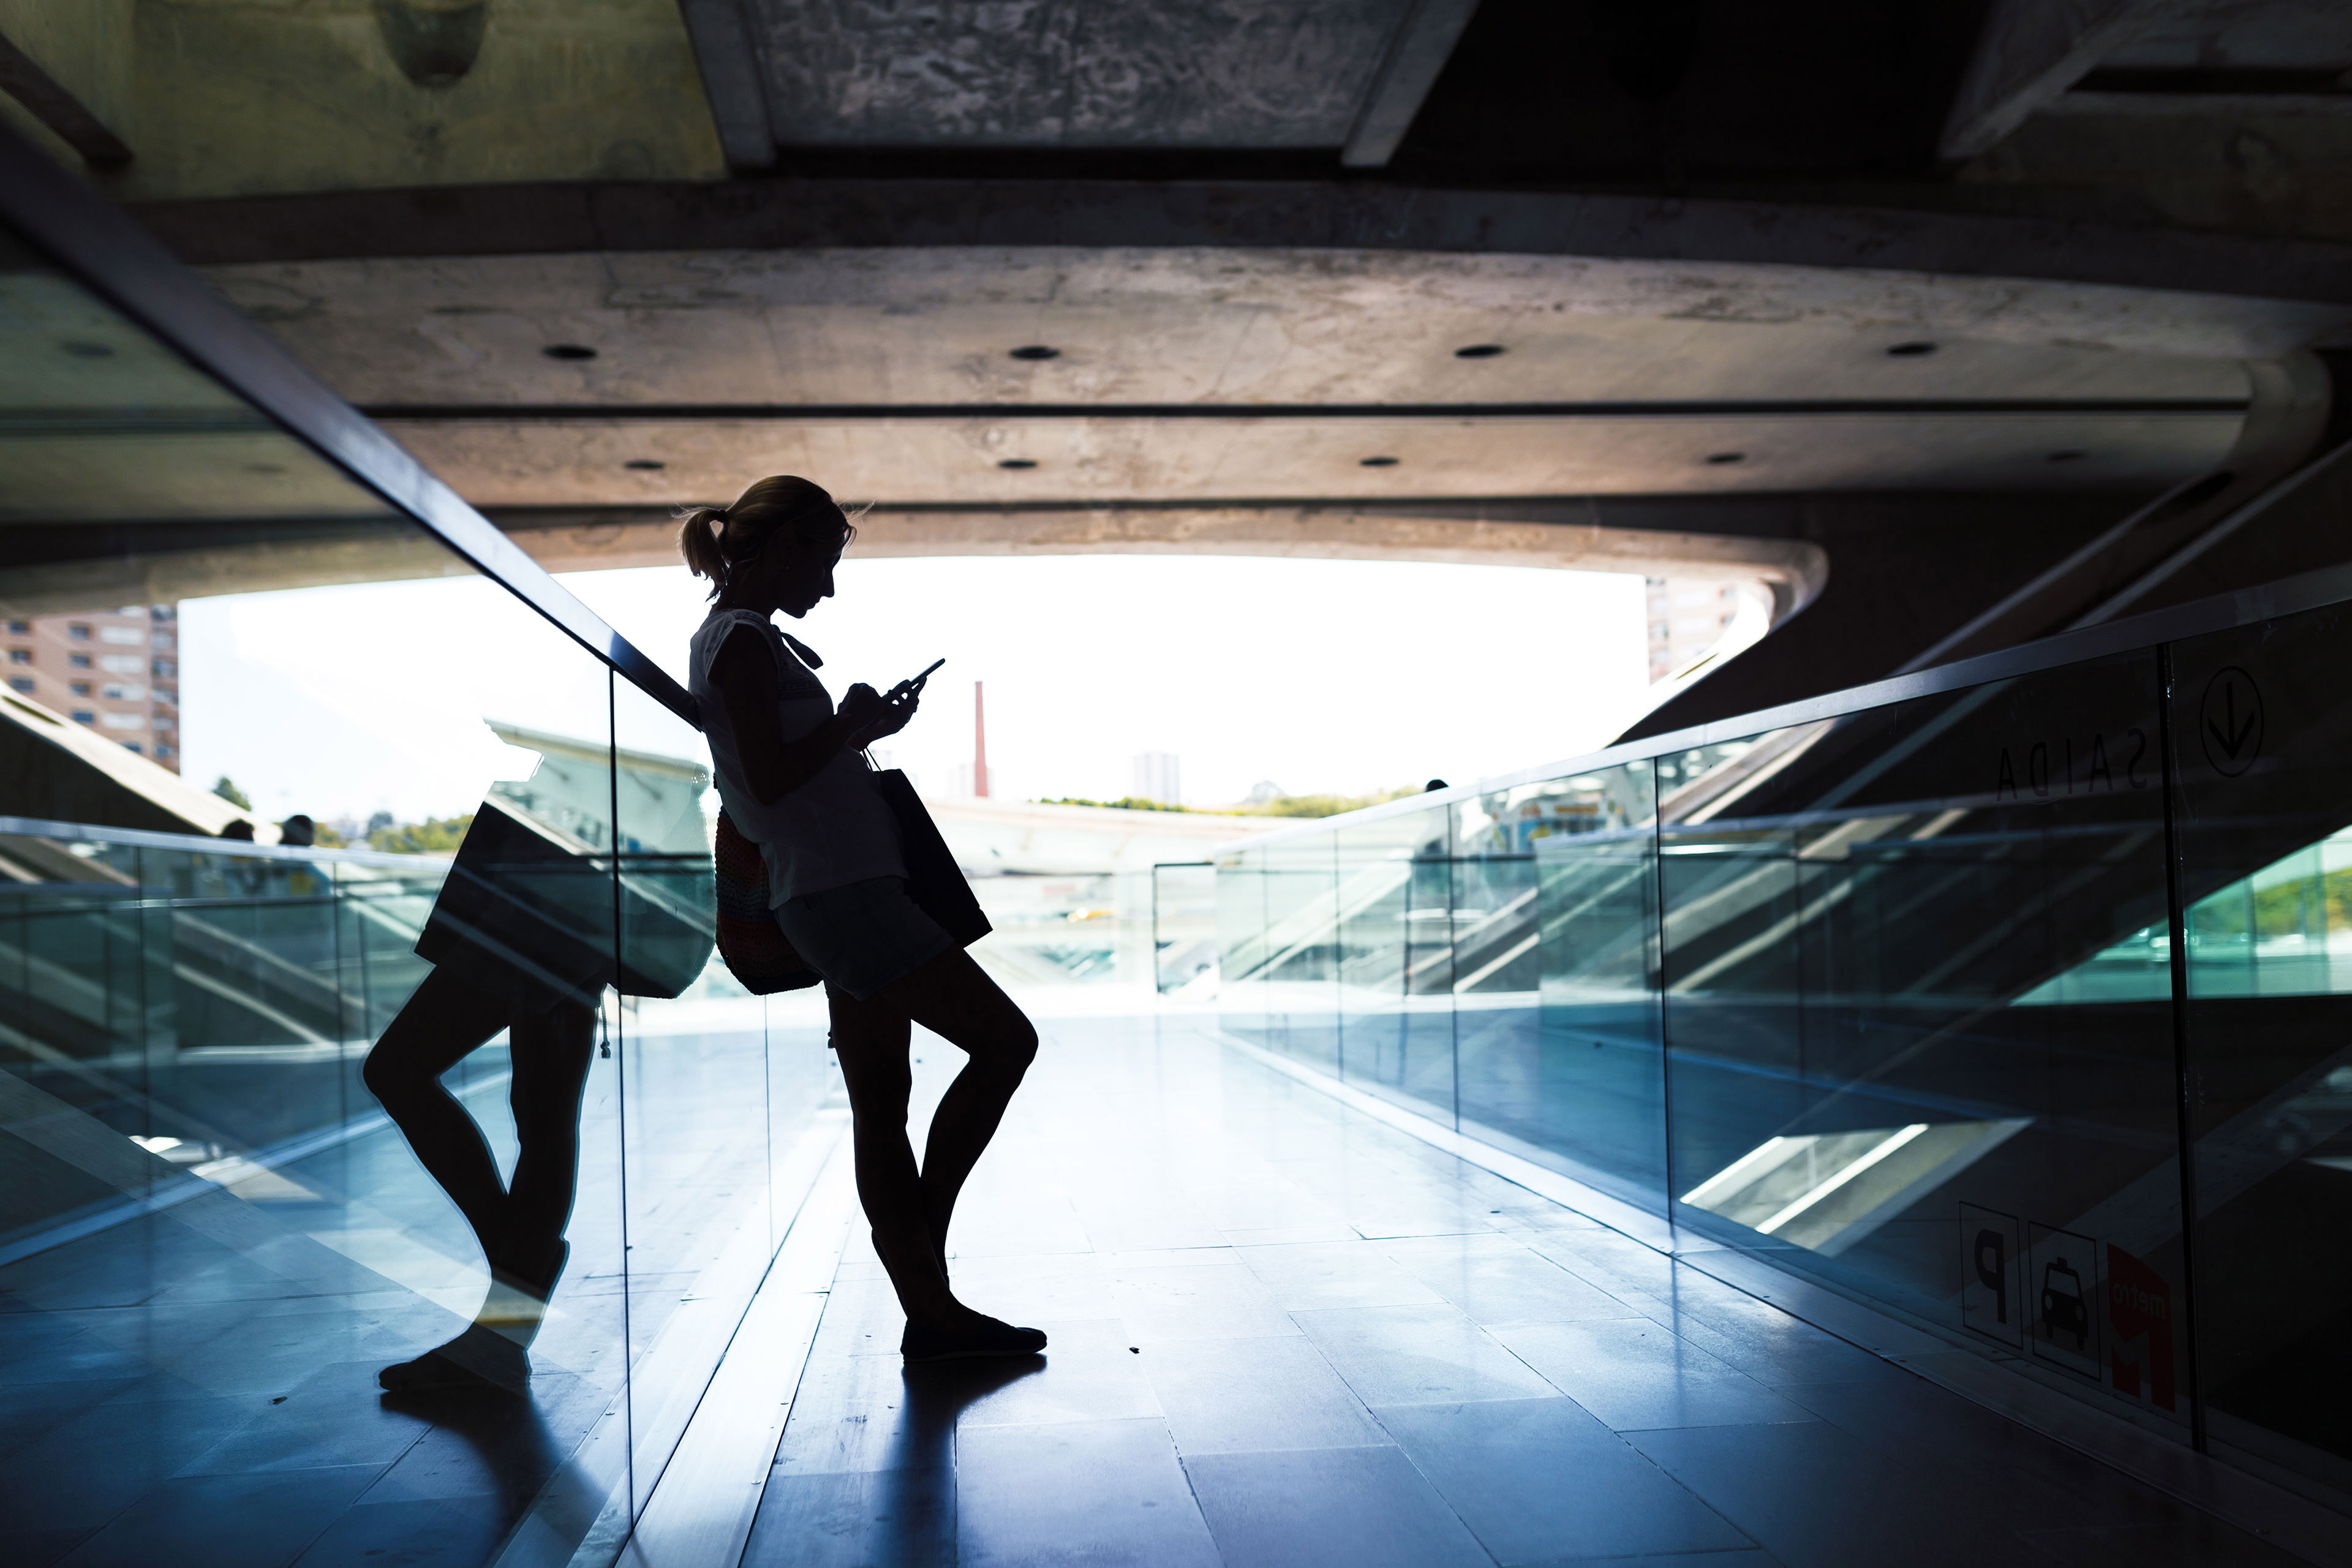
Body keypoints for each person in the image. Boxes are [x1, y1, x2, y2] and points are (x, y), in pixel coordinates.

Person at [683, 475, 1044, 1362]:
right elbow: (766, 780)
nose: (829, 588)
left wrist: (862, 726)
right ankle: (925, 1264)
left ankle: (932, 1310)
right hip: (841, 896)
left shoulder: (750, 640)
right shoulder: (735, 640)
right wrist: (846, 728)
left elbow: (784, 772)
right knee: (1005, 1044)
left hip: (841, 891)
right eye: (825, 561)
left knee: (884, 1103)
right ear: (783, 545)